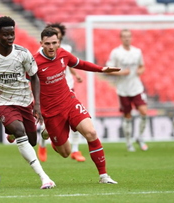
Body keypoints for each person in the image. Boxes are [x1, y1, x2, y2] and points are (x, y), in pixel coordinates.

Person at [34, 27, 120, 184]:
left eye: (54, 43)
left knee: (91, 132)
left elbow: (82, 64)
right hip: (51, 112)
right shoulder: (34, 62)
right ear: (41, 43)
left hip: (69, 101)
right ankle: (50, 135)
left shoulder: (63, 54)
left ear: (59, 42)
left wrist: (102, 69)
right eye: (48, 44)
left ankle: (104, 176)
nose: (51, 47)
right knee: (65, 153)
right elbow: (27, 84)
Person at [0, 16, 55, 189]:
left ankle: (11, 132)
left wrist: (36, 104)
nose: (10, 38)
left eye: (12, 34)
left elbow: (34, 77)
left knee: (32, 141)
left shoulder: (23, 54)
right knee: (20, 132)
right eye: (5, 35)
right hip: (2, 100)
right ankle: (44, 178)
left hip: (24, 100)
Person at [38, 23, 86, 163]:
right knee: (47, 122)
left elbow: (68, 63)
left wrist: (75, 74)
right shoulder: (43, 50)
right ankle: (42, 145)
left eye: (57, 36)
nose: (52, 43)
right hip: (51, 90)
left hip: (68, 86)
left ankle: (76, 150)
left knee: (75, 120)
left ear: (60, 38)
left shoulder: (66, 49)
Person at [106, 29, 148, 152]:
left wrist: (141, 71)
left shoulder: (137, 52)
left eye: (128, 36)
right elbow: (108, 70)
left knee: (144, 112)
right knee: (127, 116)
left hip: (136, 87)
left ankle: (140, 137)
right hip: (123, 89)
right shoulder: (116, 53)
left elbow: (142, 66)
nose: (127, 38)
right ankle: (129, 142)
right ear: (121, 38)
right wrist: (122, 72)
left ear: (131, 37)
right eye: (124, 36)